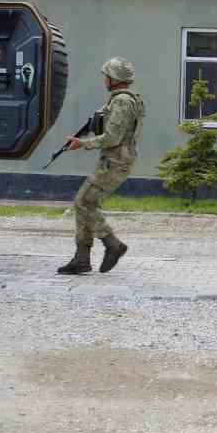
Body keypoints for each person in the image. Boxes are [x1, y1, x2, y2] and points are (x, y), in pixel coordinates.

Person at [57, 58, 144, 275]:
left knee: (83, 202)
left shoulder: (122, 101)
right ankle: (82, 259)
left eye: (106, 75)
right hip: (113, 160)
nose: (104, 79)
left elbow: (113, 137)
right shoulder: (121, 99)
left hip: (116, 161)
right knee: (86, 203)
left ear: (113, 78)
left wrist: (83, 144)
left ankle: (112, 244)